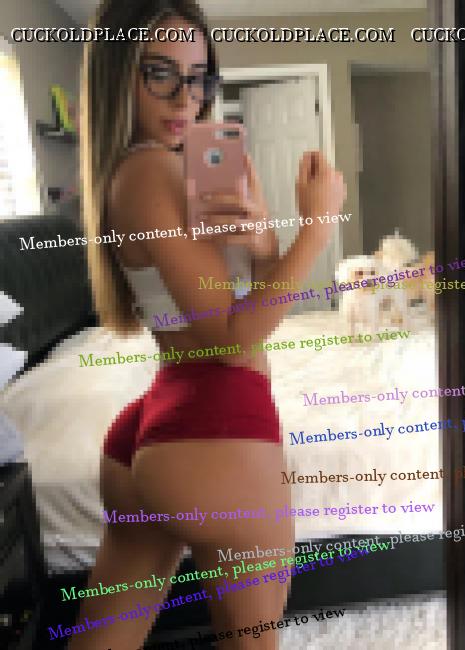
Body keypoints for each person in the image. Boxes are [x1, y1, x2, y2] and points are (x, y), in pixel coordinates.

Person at [70, 1, 345, 648]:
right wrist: (318, 228)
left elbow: (249, 301)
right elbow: (232, 339)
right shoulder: (148, 169)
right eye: (160, 73)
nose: (185, 99)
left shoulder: (159, 167)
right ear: (117, 72)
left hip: (165, 420)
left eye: (198, 78)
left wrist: (264, 241)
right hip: (216, 420)